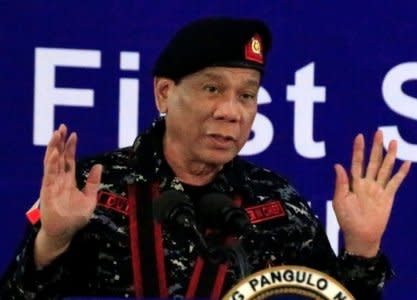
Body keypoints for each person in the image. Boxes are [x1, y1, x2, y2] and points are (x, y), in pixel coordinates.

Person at [0, 17, 411, 300]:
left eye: (246, 95)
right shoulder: (92, 186)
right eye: (212, 89)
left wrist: (362, 247)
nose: (231, 111)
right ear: (164, 93)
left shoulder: (278, 201)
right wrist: (51, 242)